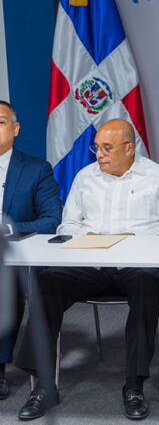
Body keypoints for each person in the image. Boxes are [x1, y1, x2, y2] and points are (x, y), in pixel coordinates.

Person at [14, 119, 159, 421]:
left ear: (129, 148)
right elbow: (68, 224)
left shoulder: (157, 177)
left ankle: (134, 385)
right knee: (46, 282)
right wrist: (86, 236)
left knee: (145, 285)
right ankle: (44, 385)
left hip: (138, 264)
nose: (99, 155)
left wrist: (134, 238)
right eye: (97, 148)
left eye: (107, 148)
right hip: (91, 264)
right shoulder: (85, 177)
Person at [0, 100, 62, 401]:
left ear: (16, 129)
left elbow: (52, 219)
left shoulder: (36, 170)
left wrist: (7, 229)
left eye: (0, 122)